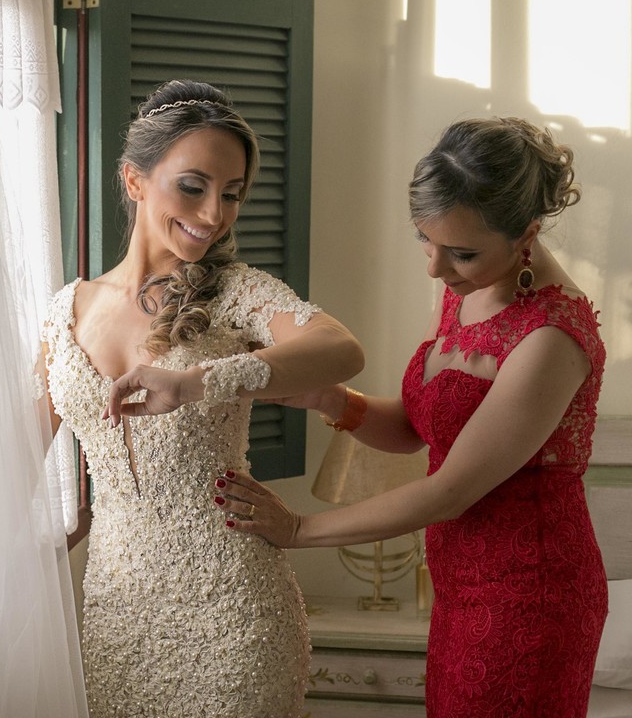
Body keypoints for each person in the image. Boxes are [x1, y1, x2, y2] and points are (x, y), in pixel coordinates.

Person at [108, 116, 607, 717]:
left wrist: (300, 531)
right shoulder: (468, 285)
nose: (436, 269)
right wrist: (335, 402)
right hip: (461, 584)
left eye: (462, 253)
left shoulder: (552, 336)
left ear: (526, 233)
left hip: (532, 590)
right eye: (427, 240)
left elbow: (451, 490)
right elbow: (420, 430)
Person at [39, 80, 364, 717]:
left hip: (234, 608)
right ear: (134, 180)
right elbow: (18, 450)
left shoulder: (237, 292)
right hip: (117, 611)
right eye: (194, 186)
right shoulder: (63, 312)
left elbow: (341, 350)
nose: (214, 214)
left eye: (232, 194)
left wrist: (199, 381)